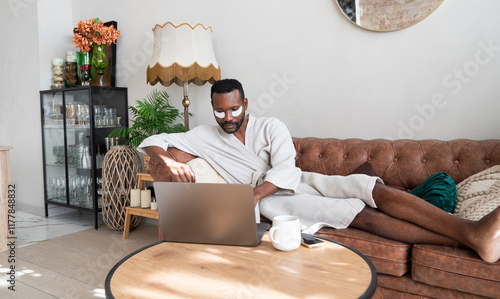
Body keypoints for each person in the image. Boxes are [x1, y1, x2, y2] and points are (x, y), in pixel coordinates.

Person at [138, 79, 500, 263]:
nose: (227, 118)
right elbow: (153, 139)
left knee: (373, 190)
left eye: (233, 110)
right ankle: (468, 239)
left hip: (289, 184)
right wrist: (166, 159)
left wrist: (253, 193)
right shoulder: (204, 135)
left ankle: (472, 231)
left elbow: (284, 168)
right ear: (213, 109)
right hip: (274, 206)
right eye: (220, 112)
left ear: (245, 103)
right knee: (361, 216)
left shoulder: (271, 126)